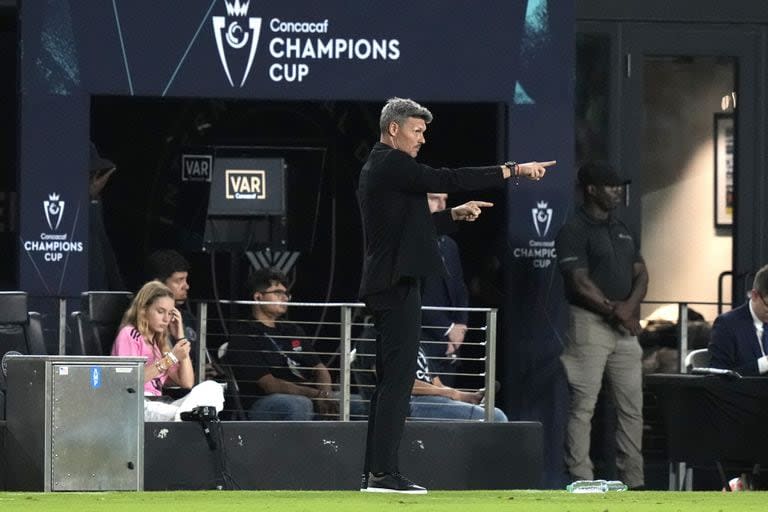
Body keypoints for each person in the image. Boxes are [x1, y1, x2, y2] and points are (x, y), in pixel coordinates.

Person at [358, 97, 553, 494]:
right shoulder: (391, 162)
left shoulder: (386, 168)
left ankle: (376, 473)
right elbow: (446, 178)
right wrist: (512, 170)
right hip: (394, 284)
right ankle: (382, 475)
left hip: (390, 281)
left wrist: (453, 216)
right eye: (417, 130)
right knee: (397, 382)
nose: (422, 139)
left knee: (391, 382)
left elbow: (409, 228)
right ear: (394, 129)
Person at [555, 160, 648, 490]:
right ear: (591, 189)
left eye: (619, 186)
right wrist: (616, 311)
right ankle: (581, 478)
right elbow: (579, 282)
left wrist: (628, 308)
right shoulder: (573, 230)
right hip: (589, 324)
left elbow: (642, 273)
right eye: (610, 186)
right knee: (583, 406)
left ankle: (634, 482)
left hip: (623, 326)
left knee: (632, 408)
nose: (617, 191)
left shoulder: (622, 229)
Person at [225, 268, 367, 420]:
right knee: (299, 405)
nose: (285, 298)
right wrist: (316, 394)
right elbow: (270, 385)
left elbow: (319, 368)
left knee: (363, 404)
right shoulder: (244, 334)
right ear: (258, 297)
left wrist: (325, 395)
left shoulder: (291, 329)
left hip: (311, 394)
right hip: (265, 401)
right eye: (278, 293)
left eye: (286, 294)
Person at [111, 280, 224, 421]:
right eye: (160, 311)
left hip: (161, 403)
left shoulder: (160, 343)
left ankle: (188, 416)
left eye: (170, 313)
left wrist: (180, 337)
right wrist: (170, 359)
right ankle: (188, 417)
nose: (166, 319)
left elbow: (187, 383)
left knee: (212, 388)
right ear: (143, 309)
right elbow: (128, 380)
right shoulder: (129, 334)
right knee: (187, 415)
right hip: (137, 404)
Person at [421, 192, 470, 387]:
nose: (442, 205)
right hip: (423, 340)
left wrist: (460, 327)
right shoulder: (408, 244)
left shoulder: (450, 246)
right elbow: (414, 294)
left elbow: (460, 290)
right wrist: (447, 329)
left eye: (445, 199)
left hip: (451, 346)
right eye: (434, 198)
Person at [410, 342, 507, 422]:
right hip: (413, 403)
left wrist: (468, 397)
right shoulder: (398, 343)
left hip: (434, 400)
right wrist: (450, 393)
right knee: (496, 417)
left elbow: (438, 385)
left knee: (495, 413)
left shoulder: (418, 346)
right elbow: (406, 384)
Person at [709, 264, 768, 376]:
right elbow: (717, 378)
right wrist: (763, 364)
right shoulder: (726, 325)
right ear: (754, 295)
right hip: (747, 392)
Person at [146, 250, 200, 369]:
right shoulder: (142, 325)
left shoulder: (188, 319)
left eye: (186, 280)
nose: (186, 286)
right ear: (158, 284)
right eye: (179, 280)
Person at [88, 141, 126, 291]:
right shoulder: (66, 205)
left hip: (98, 291)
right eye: (91, 174)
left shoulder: (95, 202)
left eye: (96, 173)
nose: (96, 180)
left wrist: (120, 290)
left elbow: (105, 248)